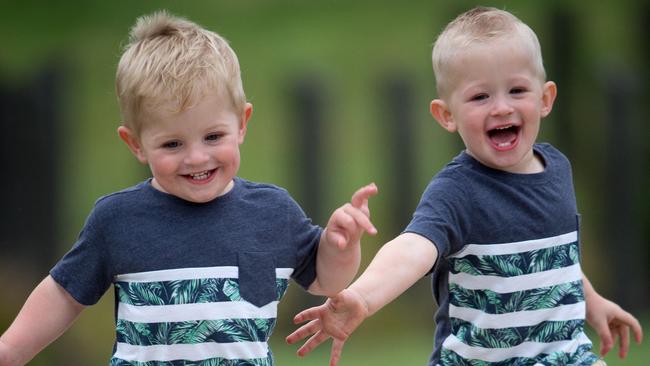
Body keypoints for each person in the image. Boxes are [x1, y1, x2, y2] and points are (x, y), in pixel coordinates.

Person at [0, 11, 379, 366]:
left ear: (242, 123)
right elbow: (64, 294)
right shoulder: (117, 220)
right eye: (172, 145)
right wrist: (11, 349)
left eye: (213, 136)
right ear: (135, 144)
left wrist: (339, 243)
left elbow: (327, 281)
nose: (196, 158)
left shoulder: (273, 212)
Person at [286, 6, 643, 366]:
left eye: (517, 90)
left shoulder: (557, 170)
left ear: (545, 99)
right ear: (447, 115)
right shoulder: (457, 192)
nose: (502, 108)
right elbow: (412, 249)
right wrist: (362, 297)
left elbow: (554, 259)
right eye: (480, 97)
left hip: (564, 356)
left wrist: (591, 301)